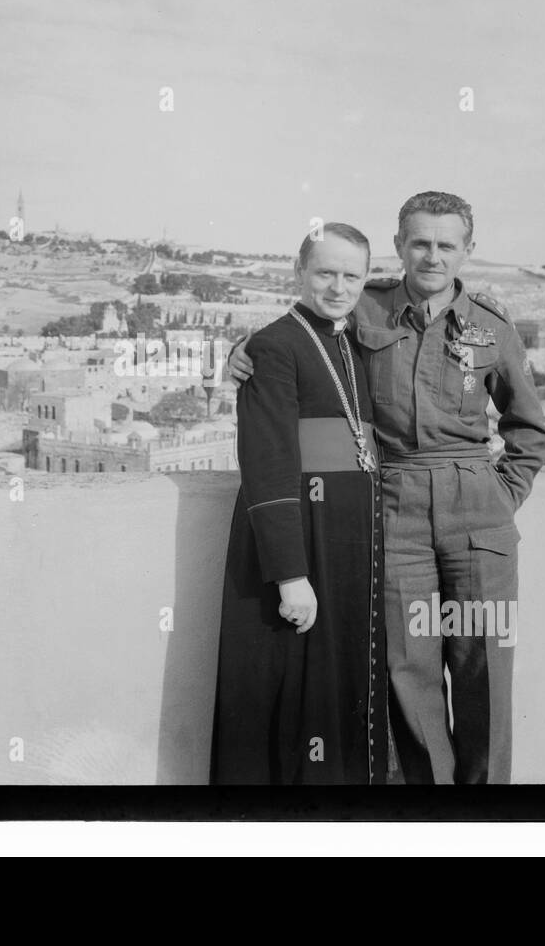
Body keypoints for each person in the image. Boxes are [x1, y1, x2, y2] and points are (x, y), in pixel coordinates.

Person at [229, 192, 545, 784]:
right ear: (400, 246)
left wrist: (498, 496)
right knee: (407, 670)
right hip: (394, 508)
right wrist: (241, 348)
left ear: (467, 251)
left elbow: (529, 430)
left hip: (477, 512)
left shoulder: (493, 326)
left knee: (484, 668)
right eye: (419, 242)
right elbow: (303, 333)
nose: (432, 256)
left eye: (446, 245)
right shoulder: (366, 309)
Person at [210, 222, 397, 785]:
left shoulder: (353, 336)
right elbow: (267, 466)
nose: (338, 287)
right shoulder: (272, 345)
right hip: (299, 548)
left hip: (348, 551)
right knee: (291, 709)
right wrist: (291, 575)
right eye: (324, 273)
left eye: (351, 275)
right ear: (299, 273)